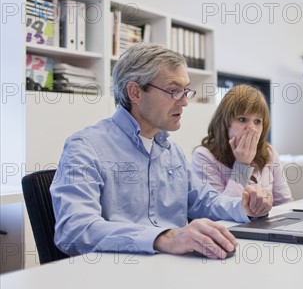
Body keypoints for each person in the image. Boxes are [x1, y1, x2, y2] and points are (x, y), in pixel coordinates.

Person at [50, 43, 272, 260]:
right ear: (135, 92)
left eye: (186, 91)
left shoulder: (170, 150)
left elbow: (206, 203)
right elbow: (74, 230)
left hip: (171, 271)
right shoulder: (85, 147)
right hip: (114, 277)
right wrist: (163, 238)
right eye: (174, 91)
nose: (184, 102)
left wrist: (245, 207)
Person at [192, 85, 293, 206]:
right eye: (242, 119)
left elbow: (285, 204)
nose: (252, 128)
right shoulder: (203, 156)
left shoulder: (269, 152)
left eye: (257, 121)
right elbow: (222, 211)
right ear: (225, 123)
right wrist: (242, 165)